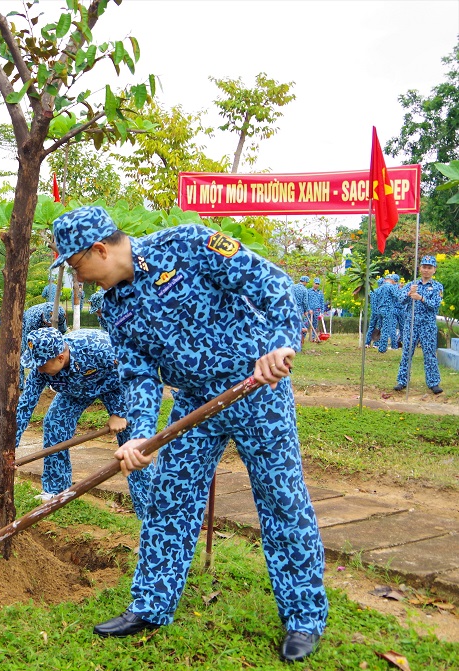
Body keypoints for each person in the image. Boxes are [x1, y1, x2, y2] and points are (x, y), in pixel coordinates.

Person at [50, 205, 328, 663]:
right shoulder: (112, 307)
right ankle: (151, 605)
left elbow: (273, 284)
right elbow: (138, 376)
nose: (79, 280)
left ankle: (303, 617)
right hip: (194, 404)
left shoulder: (189, 244)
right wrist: (139, 435)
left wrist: (281, 343)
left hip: (257, 388)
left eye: (78, 267)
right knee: (170, 498)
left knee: (282, 500)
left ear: (99, 249)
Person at [17, 327, 155, 511]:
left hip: (115, 385)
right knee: (54, 423)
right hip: (74, 390)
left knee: (132, 442)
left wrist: (120, 413)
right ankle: (56, 491)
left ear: (60, 357)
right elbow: (26, 404)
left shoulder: (100, 348)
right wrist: (11, 443)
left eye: (42, 364)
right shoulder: (41, 368)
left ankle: (149, 504)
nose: (38, 368)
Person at [394, 256, 444, 394]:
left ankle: (433, 382)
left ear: (434, 270)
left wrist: (421, 298)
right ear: (420, 268)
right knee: (407, 352)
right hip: (411, 323)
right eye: (424, 267)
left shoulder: (437, 287)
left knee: (429, 353)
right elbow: (400, 300)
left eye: (429, 268)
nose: (426, 270)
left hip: (427, 324)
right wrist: (410, 293)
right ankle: (402, 381)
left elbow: (435, 305)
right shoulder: (412, 285)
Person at [20, 301, 67, 385]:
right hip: (30, 326)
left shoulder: (61, 314)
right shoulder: (33, 318)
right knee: (24, 353)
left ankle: (53, 381)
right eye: (48, 324)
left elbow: (62, 333)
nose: (49, 326)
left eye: (51, 324)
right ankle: (20, 382)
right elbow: (30, 343)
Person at [374, 275, 400, 353]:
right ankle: (382, 348)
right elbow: (397, 296)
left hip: (380, 309)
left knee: (379, 327)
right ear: (392, 280)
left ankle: (376, 343)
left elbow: (376, 295)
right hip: (388, 310)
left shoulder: (380, 287)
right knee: (385, 329)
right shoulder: (391, 287)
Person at [290, 276, 309, 344]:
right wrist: (306, 310)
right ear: (304, 282)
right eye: (307, 282)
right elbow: (305, 302)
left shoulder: (293, 287)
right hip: (299, 309)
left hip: (291, 308)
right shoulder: (304, 289)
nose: (306, 283)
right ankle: (300, 341)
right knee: (300, 324)